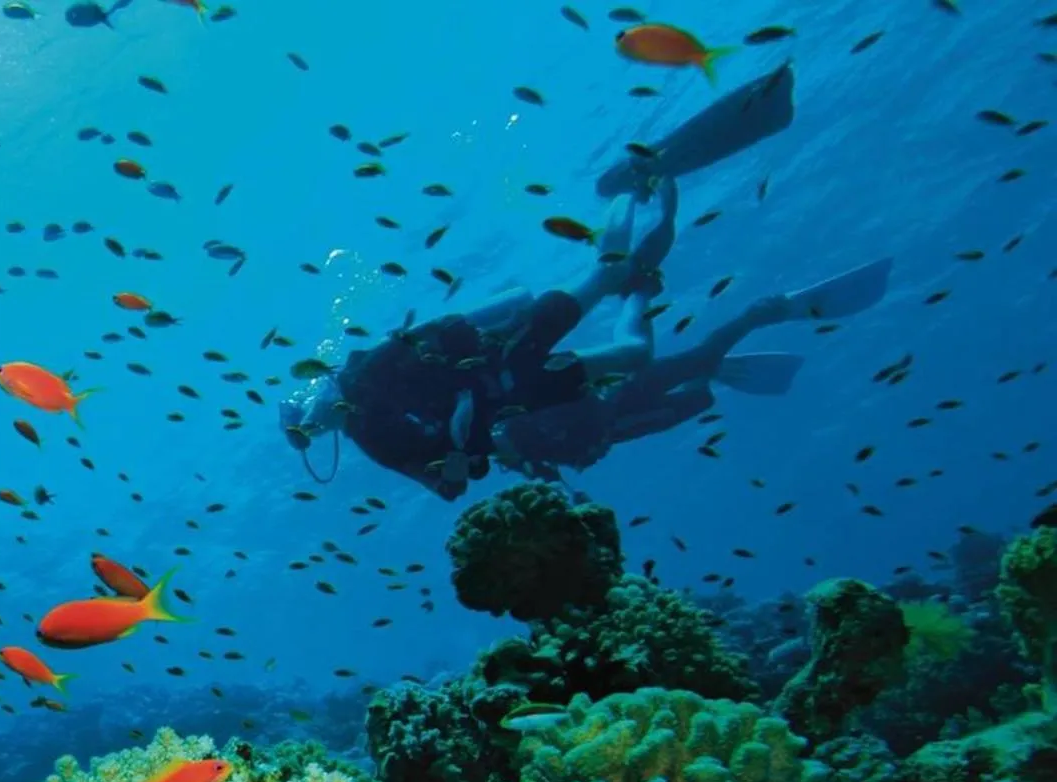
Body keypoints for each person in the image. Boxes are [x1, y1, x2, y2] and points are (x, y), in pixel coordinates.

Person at [280, 62, 799, 501]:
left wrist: (469, 388)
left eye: (311, 416)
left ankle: (625, 187)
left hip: (506, 348)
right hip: (522, 391)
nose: (321, 420)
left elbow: (442, 332)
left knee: (606, 274)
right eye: (312, 429)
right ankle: (640, 282)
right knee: (632, 355)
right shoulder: (373, 438)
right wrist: (459, 459)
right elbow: (446, 485)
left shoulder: (369, 372)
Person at [488, 256, 895, 481]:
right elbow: (554, 478)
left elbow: (566, 404)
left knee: (698, 359)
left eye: (499, 457)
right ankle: (710, 365)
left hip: (626, 397)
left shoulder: (517, 425)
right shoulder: (528, 453)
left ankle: (758, 315)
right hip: (631, 422)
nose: (501, 463)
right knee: (700, 397)